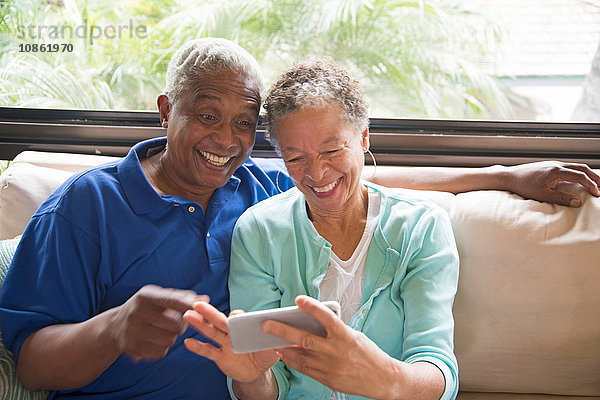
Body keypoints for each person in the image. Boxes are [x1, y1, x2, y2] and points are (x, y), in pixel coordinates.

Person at [0, 37, 597, 399]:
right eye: (207, 115)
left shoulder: (254, 186)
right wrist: (113, 328)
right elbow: (29, 358)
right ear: (165, 111)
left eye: (243, 123)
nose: (225, 140)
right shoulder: (86, 206)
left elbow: (365, 181)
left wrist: (507, 176)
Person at [183, 59, 459, 400]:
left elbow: (438, 369)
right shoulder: (260, 232)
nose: (316, 174)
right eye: (295, 158)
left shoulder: (420, 227)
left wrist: (386, 379)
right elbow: (271, 387)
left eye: (331, 150)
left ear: (363, 137)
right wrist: (251, 377)